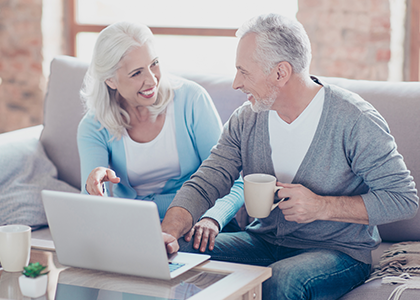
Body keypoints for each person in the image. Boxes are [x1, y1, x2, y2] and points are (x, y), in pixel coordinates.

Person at [161, 14, 419, 299]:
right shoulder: (246, 119)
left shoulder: (354, 120)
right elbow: (208, 180)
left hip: (337, 252)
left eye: (244, 72)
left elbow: (404, 200)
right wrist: (168, 234)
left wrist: (322, 207)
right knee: (176, 255)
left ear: (280, 73)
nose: (236, 83)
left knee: (283, 280)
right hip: (263, 242)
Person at [77, 21, 244, 251]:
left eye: (154, 64)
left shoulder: (191, 101)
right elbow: (90, 204)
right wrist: (93, 186)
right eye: (136, 73)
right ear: (111, 80)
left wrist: (212, 218)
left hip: (197, 222)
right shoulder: (94, 126)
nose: (152, 80)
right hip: (134, 228)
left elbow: (233, 181)